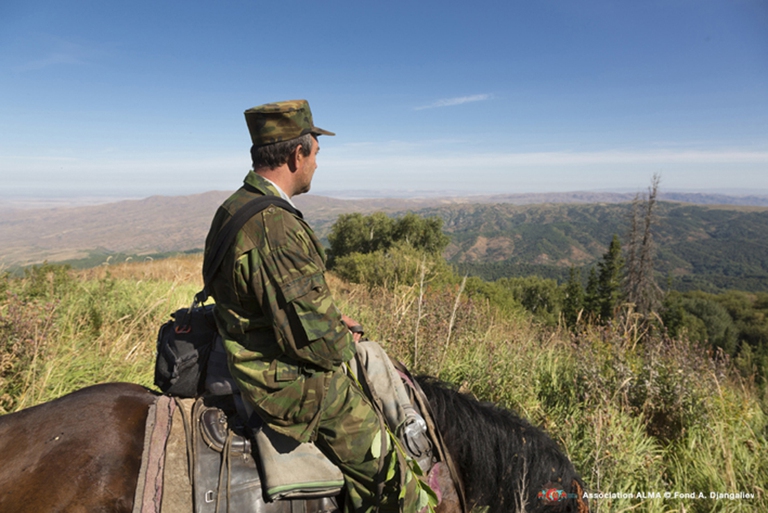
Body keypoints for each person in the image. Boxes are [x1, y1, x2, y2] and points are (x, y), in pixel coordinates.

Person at [203, 100, 420, 512]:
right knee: (393, 478)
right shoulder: (276, 226)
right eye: (316, 154)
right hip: (280, 382)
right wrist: (342, 337)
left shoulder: (235, 205)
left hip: (243, 342)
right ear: (295, 154)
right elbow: (318, 347)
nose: (318, 165)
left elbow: (263, 294)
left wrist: (329, 319)